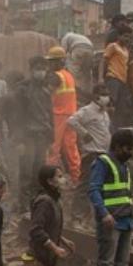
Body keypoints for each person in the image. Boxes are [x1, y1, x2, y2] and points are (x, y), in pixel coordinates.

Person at [88, 129, 133, 266]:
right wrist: (103, 214)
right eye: (128, 148)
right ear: (117, 147)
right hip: (110, 222)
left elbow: (126, 194)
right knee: (104, 263)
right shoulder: (103, 163)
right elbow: (93, 190)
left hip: (126, 221)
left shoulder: (124, 166)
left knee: (120, 264)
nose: (131, 153)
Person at [3, 57, 55, 195]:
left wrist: (51, 139)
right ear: (31, 70)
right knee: (26, 171)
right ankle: (23, 207)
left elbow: (49, 116)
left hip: (42, 136)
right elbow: (16, 117)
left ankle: (35, 203)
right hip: (27, 137)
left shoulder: (45, 90)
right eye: (38, 68)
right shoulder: (22, 89)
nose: (42, 72)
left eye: (44, 69)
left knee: (39, 172)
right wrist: (19, 140)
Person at [46, 48, 81, 183]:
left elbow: (48, 95)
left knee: (53, 147)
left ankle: (50, 177)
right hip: (71, 115)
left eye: (51, 61)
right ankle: (76, 177)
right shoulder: (69, 75)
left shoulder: (55, 76)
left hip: (58, 115)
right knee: (71, 148)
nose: (49, 65)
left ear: (59, 61)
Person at [68, 93, 113, 181]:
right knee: (86, 182)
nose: (107, 97)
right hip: (92, 154)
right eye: (104, 93)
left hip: (104, 154)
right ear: (96, 97)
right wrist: (84, 133)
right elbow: (71, 121)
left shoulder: (104, 113)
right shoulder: (87, 110)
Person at [101, 33, 130, 107]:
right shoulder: (113, 46)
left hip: (123, 80)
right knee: (111, 103)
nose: (127, 39)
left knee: (121, 105)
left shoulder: (126, 50)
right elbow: (104, 61)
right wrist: (101, 77)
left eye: (129, 37)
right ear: (119, 36)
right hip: (113, 77)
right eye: (125, 36)